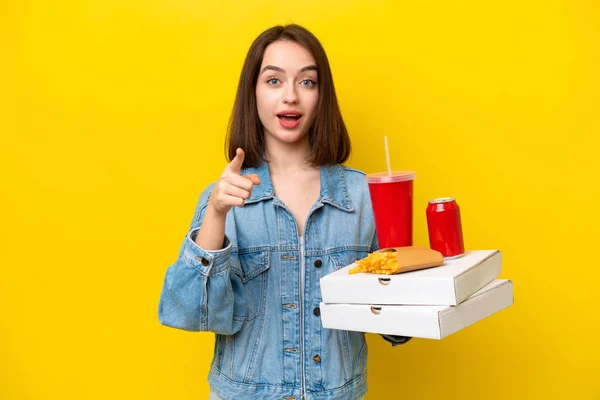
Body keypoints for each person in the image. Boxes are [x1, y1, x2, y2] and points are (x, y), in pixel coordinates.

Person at [158, 24, 410, 400]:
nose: (291, 96)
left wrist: (424, 284)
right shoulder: (224, 198)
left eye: (307, 82)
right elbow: (191, 314)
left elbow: (397, 328)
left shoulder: (362, 196)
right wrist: (215, 214)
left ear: (322, 95)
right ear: (253, 93)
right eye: (274, 81)